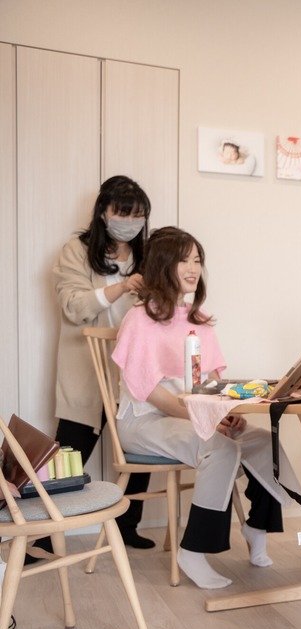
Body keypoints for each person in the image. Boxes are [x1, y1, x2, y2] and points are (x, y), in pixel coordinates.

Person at [112, 227, 301, 590]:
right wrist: (205, 419)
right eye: (184, 259)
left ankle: (259, 527)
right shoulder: (139, 318)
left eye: (197, 260)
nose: (193, 268)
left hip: (193, 417)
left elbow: (214, 385)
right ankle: (194, 551)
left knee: (264, 441)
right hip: (145, 422)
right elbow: (150, 393)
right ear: (163, 264)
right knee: (221, 446)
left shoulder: (198, 319)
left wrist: (223, 413)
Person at [51, 176, 154, 550]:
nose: (130, 222)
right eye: (122, 213)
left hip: (132, 369)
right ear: (103, 212)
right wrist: (121, 287)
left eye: (138, 215)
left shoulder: (147, 255)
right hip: (87, 367)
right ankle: (46, 533)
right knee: (69, 454)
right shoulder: (75, 252)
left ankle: (128, 528)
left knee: (137, 447)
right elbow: (75, 306)